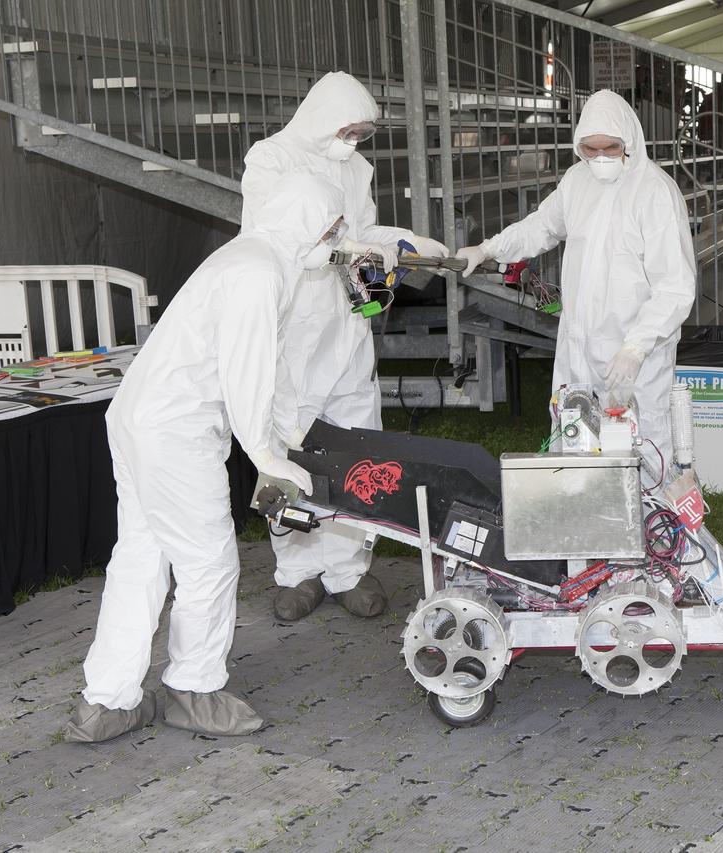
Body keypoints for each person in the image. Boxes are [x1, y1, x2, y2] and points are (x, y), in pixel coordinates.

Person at [65, 174, 346, 743]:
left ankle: (106, 702)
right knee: (208, 562)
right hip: (176, 430)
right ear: (303, 218)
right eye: (332, 226)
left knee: (141, 558)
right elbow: (245, 372)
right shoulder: (259, 271)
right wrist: (267, 452)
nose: (335, 238)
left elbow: (270, 367)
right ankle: (193, 688)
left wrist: (292, 432)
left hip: (140, 419)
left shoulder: (254, 258)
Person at [241, 71, 448, 624]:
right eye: (348, 130)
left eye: (362, 133)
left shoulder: (356, 167)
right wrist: (357, 245)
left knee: (359, 449)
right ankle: (297, 571)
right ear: (319, 118)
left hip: (346, 327)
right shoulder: (271, 159)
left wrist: (401, 244)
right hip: (293, 331)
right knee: (292, 449)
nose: (353, 142)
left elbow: (362, 232)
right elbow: (280, 238)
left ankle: (348, 569)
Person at [453, 90, 695, 456]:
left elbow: (675, 287)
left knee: (641, 446)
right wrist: (487, 249)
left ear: (629, 141)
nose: (599, 157)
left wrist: (636, 346)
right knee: (575, 443)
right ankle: (580, 510)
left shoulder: (655, 192)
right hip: (580, 345)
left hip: (634, 355)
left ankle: (649, 514)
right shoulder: (576, 181)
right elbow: (540, 228)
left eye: (610, 148)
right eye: (590, 149)